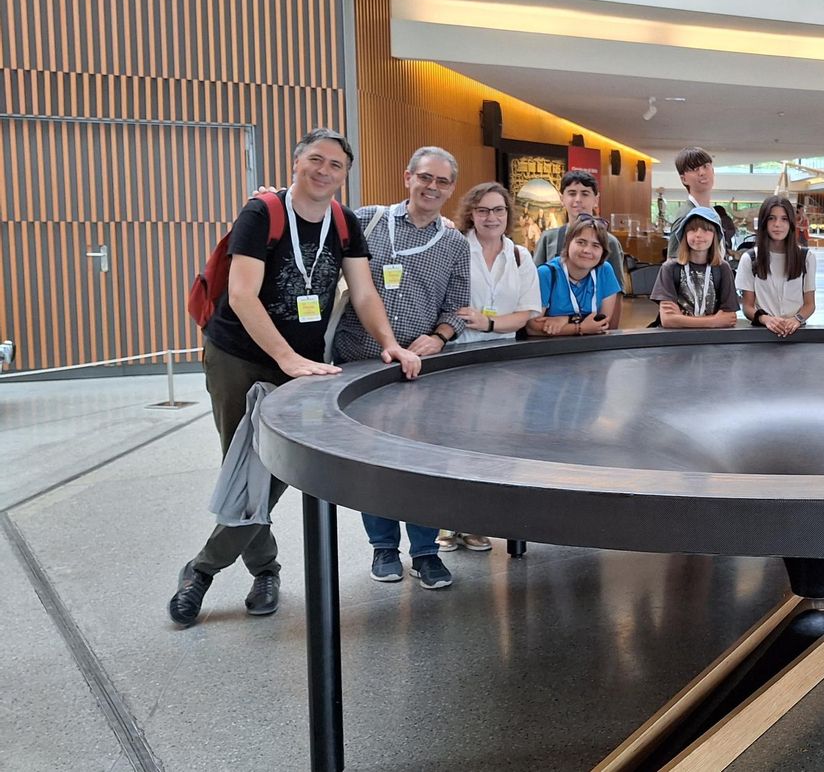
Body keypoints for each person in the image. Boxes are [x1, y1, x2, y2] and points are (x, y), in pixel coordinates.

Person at [167, 129, 421, 627]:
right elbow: (241, 294)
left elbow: (365, 293)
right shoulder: (262, 213)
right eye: (315, 160)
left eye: (336, 165)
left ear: (345, 175)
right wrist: (285, 359)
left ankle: (202, 570)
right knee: (244, 466)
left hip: (305, 363)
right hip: (239, 355)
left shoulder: (344, 223)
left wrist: (390, 342)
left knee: (272, 470)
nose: (324, 171)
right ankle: (264, 570)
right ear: (295, 163)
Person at [332, 146, 471, 590]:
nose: (432, 187)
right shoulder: (366, 220)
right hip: (359, 359)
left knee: (423, 462)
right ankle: (383, 547)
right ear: (407, 176)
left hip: (419, 367)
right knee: (374, 460)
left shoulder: (453, 243)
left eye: (443, 181)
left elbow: (457, 308)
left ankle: (427, 552)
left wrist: (441, 335)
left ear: (451, 189)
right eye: (425, 178)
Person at [437, 182, 542, 554]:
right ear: (471, 213)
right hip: (456, 357)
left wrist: (490, 324)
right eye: (483, 210)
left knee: (491, 445)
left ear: (508, 215)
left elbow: (528, 312)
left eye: (498, 210)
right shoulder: (451, 246)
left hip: (501, 364)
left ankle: (477, 523)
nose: (491, 217)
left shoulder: (520, 257)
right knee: (455, 442)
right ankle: (447, 524)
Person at [530, 170, 627, 288]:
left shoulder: (609, 241)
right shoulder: (548, 239)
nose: (578, 199)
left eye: (585, 194)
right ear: (562, 199)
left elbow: (617, 290)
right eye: (572, 193)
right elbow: (533, 284)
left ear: (596, 200)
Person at [528, 215, 622, 337]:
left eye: (595, 245)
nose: (587, 250)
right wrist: (579, 328)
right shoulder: (546, 274)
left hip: (591, 349)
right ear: (568, 243)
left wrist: (566, 319)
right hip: (551, 349)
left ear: (603, 252)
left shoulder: (605, 271)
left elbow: (602, 323)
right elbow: (532, 328)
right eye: (581, 242)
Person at [737, 196, 815, 337]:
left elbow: (810, 304)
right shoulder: (749, 258)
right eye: (771, 218)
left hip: (796, 333)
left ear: (791, 223)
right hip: (763, 334)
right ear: (764, 222)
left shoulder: (806, 257)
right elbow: (747, 307)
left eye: (784, 219)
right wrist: (766, 319)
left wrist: (796, 320)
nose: (777, 224)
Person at [653, 206, 738, 328]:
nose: (698, 235)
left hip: (713, 343)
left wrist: (681, 319)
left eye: (706, 230)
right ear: (684, 234)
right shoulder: (670, 268)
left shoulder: (722, 268)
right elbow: (667, 320)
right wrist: (714, 321)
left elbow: (729, 318)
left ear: (715, 235)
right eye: (692, 230)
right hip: (677, 342)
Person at [666, 146, 715, 258]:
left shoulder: (713, 213)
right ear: (684, 179)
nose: (702, 172)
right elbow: (672, 263)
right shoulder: (686, 215)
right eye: (694, 169)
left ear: (713, 170)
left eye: (705, 166)